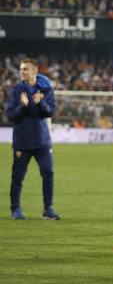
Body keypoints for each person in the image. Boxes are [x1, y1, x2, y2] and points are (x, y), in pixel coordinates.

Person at [6, 58, 58, 220]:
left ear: (34, 71)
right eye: (21, 69)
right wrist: (23, 106)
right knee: (18, 176)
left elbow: (50, 111)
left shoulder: (45, 89)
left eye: (25, 69)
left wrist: (40, 103)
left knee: (48, 173)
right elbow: (9, 115)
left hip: (42, 140)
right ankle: (15, 209)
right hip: (22, 141)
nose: (22, 72)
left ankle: (48, 209)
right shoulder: (16, 91)